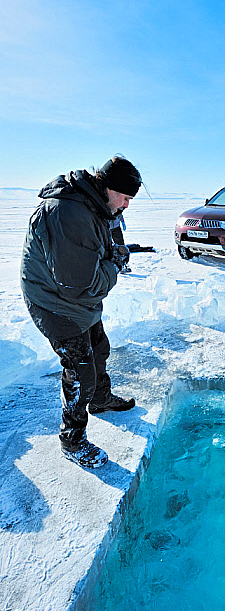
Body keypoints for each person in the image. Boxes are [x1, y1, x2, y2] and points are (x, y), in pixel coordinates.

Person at [20, 156, 142, 469]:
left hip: (71, 293)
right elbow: (83, 285)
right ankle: (72, 440)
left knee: (99, 346)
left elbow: (98, 253)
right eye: (126, 198)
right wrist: (114, 267)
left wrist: (112, 253)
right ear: (110, 188)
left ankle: (100, 400)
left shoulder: (95, 203)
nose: (127, 205)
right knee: (80, 368)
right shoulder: (70, 213)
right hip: (53, 300)